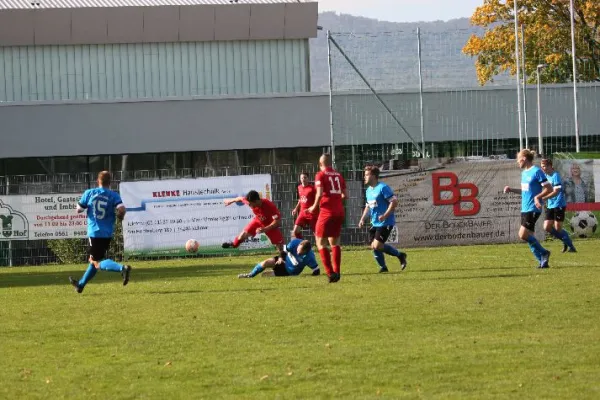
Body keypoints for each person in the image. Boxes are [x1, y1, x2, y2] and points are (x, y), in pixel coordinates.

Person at [68, 171, 131, 293]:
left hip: (95, 231)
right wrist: (120, 216)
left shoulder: (90, 193)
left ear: (98, 181)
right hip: (107, 233)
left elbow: (79, 209)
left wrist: (86, 206)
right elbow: (122, 210)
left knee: (96, 261)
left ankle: (122, 268)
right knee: (94, 260)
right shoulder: (113, 195)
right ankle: (80, 285)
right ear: (110, 182)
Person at [503, 150, 553, 268]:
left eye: (518, 159)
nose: (517, 162)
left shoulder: (537, 171)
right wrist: (512, 190)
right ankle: (542, 261)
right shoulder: (524, 173)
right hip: (525, 208)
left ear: (524, 158)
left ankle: (544, 253)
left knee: (522, 234)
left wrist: (538, 197)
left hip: (533, 208)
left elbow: (549, 188)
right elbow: (526, 192)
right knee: (529, 236)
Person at [358, 165, 407, 273]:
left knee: (377, 245)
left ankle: (400, 255)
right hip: (375, 223)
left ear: (374, 176)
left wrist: (385, 215)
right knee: (374, 247)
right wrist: (362, 219)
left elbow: (394, 202)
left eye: (366, 175)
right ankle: (383, 268)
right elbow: (368, 206)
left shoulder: (382, 187)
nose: (364, 177)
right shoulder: (368, 191)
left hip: (386, 222)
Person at [307, 154, 347, 283]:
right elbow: (345, 195)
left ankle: (330, 273)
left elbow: (319, 194)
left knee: (320, 242)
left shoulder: (320, 175)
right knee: (335, 243)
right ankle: (337, 272)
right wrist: (335, 200)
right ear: (331, 163)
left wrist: (313, 207)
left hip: (326, 212)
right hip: (339, 211)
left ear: (320, 164)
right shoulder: (339, 175)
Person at [540, 158, 576, 253]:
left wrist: (544, 198)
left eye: (545, 166)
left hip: (559, 204)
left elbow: (556, 191)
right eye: (542, 166)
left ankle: (571, 247)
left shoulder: (555, 175)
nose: (544, 168)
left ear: (550, 166)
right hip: (551, 205)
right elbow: (543, 189)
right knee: (547, 227)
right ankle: (564, 241)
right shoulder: (544, 176)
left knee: (557, 228)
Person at [238, 238, 320, 278]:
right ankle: (250, 275)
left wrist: (309, 276)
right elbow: (284, 249)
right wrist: (281, 258)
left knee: (264, 276)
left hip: (288, 272)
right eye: (298, 249)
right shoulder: (295, 242)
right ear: (299, 245)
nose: (297, 252)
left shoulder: (310, 257)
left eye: (300, 252)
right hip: (283, 260)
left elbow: (316, 270)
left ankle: (273, 272)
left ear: (306, 251)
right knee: (265, 263)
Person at [291, 172, 317, 239]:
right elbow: (300, 199)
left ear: (308, 179)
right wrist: (296, 209)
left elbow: (318, 200)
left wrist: (313, 208)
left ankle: (322, 247)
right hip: (302, 213)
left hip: (311, 213)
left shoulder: (312, 189)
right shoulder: (299, 187)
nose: (303, 179)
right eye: (302, 178)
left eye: (305, 177)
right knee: (295, 231)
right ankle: (304, 246)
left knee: (316, 233)